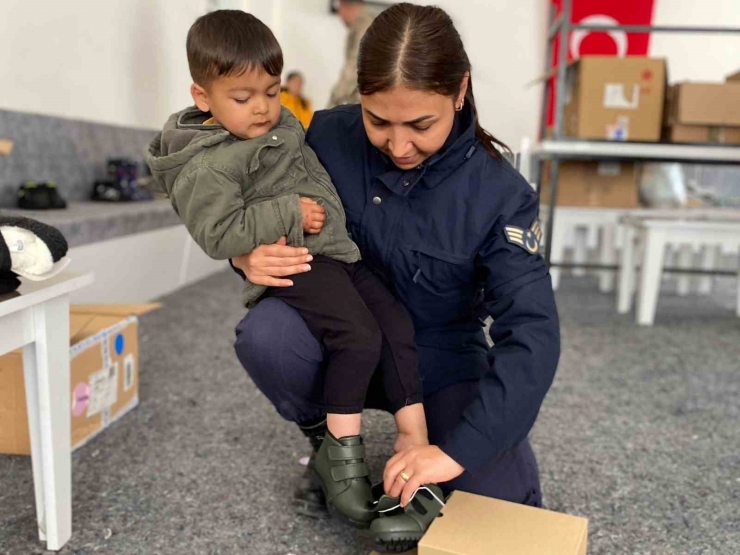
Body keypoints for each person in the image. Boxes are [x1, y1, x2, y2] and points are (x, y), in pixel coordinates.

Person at [233, 2, 560, 545]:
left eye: (421, 125)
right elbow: (254, 209)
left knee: (500, 501)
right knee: (267, 335)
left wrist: (456, 453)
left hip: (440, 356)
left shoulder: (502, 194)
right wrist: (245, 255)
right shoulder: (325, 139)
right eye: (378, 120)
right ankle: (330, 450)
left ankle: (436, 456)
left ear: (460, 90)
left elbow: (534, 335)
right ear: (358, 95)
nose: (400, 145)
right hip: (344, 337)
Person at [145, 9, 436, 534]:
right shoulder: (209, 164)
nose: (262, 108)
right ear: (202, 97)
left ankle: (413, 436)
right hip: (299, 256)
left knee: (394, 322)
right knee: (359, 337)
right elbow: (217, 233)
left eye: (272, 92)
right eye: (243, 97)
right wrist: (288, 214)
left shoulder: (280, 122)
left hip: (336, 251)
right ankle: (340, 462)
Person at [327, 0, 375, 108]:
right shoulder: (371, 23)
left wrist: (333, 102)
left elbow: (354, 65)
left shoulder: (364, 26)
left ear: (345, 7)